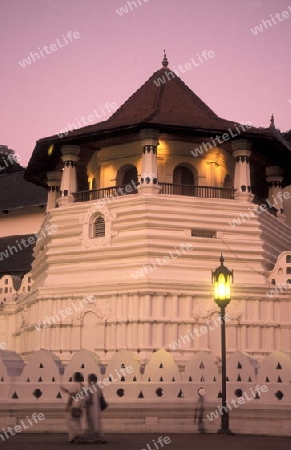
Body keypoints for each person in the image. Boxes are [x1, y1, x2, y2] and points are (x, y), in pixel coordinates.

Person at [61, 371, 86, 444]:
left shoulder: (75, 385)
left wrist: (68, 406)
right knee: (77, 422)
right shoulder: (82, 385)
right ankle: (76, 438)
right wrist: (67, 390)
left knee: (70, 421)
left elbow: (72, 396)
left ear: (75, 378)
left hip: (74, 405)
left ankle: (79, 434)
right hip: (80, 406)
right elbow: (77, 394)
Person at [84, 373, 106, 444]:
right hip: (97, 407)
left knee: (91, 422)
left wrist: (86, 407)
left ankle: (93, 438)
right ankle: (100, 437)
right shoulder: (98, 386)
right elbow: (100, 397)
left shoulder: (90, 387)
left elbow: (90, 398)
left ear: (90, 379)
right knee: (97, 422)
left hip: (92, 407)